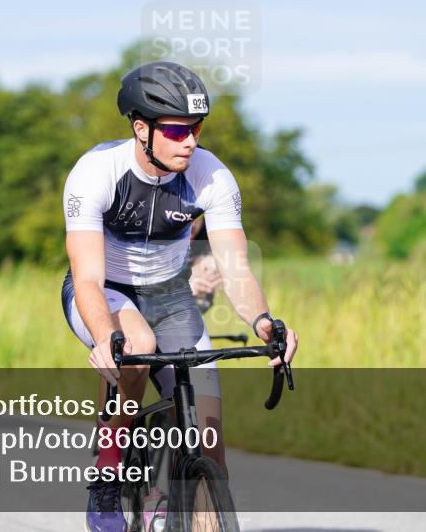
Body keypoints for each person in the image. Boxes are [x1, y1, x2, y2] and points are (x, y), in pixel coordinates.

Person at [61, 60, 298, 532]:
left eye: (196, 128)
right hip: (106, 290)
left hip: (171, 295)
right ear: (140, 127)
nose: (189, 140)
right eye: (175, 129)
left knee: (209, 441)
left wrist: (264, 322)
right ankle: (108, 476)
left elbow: (236, 269)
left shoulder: (211, 175)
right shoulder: (96, 172)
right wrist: (108, 338)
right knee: (138, 348)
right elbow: (87, 277)